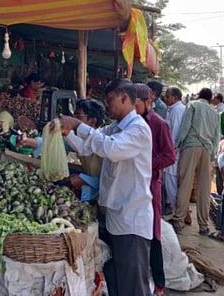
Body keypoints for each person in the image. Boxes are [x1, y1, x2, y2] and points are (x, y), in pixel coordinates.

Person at [57, 78, 153, 296]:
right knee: (118, 281)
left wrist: (78, 124)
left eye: (110, 99)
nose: (107, 104)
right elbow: (89, 146)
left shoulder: (138, 130)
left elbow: (110, 149)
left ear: (124, 98)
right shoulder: (116, 128)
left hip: (132, 220)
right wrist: (68, 133)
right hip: (116, 217)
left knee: (133, 286)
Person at [17, 99, 106, 201]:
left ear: (93, 121)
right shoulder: (77, 137)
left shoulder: (104, 143)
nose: (73, 120)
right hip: (85, 188)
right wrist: (26, 140)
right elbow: (52, 143)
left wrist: (85, 180)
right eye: (74, 116)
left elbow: (108, 181)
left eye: (78, 116)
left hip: (101, 194)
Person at [134, 83, 176, 296]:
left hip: (151, 184)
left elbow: (169, 155)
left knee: (153, 233)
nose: (132, 108)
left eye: (136, 104)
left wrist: (145, 162)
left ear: (148, 102)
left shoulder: (159, 125)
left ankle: (159, 284)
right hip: (132, 184)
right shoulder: (129, 123)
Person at [171, 88, 220, 236]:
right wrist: (213, 155)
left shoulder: (193, 105)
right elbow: (216, 137)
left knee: (185, 183)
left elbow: (185, 127)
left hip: (191, 146)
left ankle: (178, 221)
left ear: (199, 95)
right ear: (210, 99)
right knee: (204, 189)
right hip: (207, 150)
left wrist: (177, 144)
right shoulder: (215, 113)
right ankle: (204, 226)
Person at [163, 86, 186, 212]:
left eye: (168, 96)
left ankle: (177, 211)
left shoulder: (177, 111)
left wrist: (171, 150)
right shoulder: (173, 109)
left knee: (171, 183)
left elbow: (175, 133)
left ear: (175, 98)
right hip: (172, 151)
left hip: (173, 152)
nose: (165, 99)